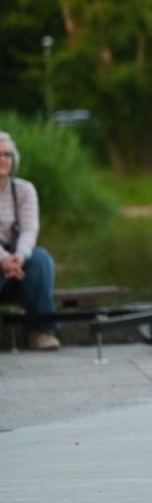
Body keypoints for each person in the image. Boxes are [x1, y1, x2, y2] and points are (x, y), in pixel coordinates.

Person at [0, 131, 60, 351]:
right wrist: (3, 259)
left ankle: (42, 331)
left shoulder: (25, 190)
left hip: (17, 267)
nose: (3, 159)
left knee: (41, 258)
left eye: (7, 154)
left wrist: (20, 257)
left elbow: (29, 230)